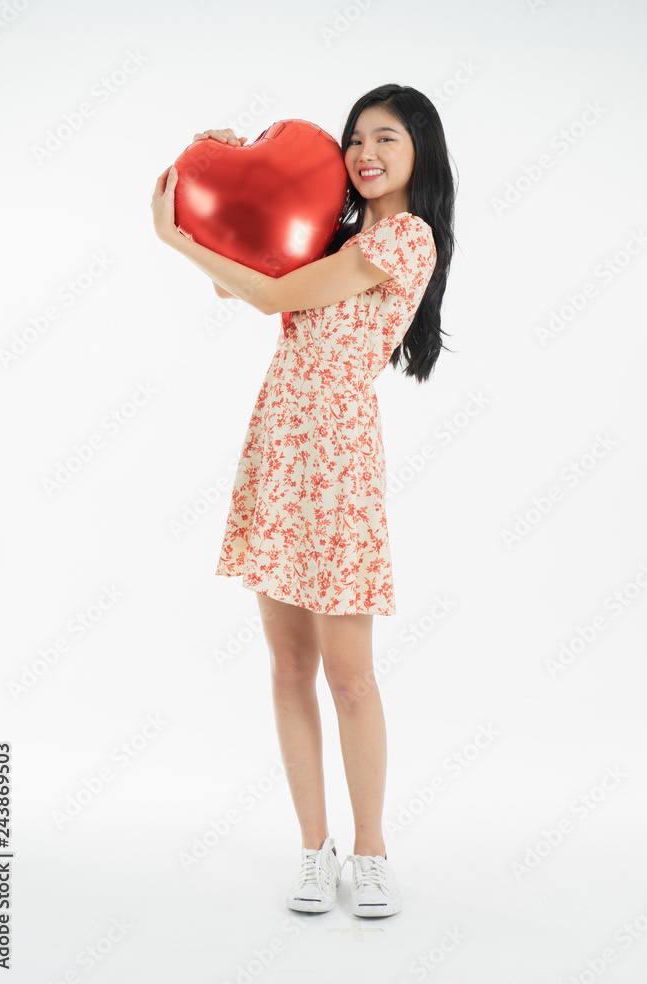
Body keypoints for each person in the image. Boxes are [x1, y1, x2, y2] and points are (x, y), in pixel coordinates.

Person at [151, 83, 456, 918]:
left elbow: (271, 295)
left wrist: (173, 240)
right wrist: (209, 176)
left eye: (385, 139)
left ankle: (371, 852)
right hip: (279, 445)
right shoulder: (338, 228)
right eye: (355, 137)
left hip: (339, 462)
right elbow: (242, 277)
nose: (363, 153)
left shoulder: (408, 238)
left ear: (419, 152)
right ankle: (312, 852)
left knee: (350, 676)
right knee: (288, 665)